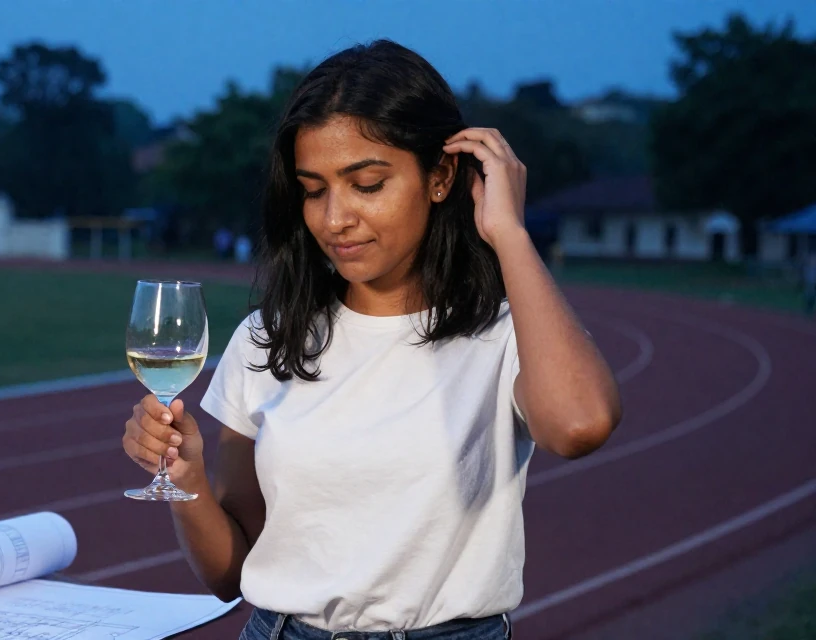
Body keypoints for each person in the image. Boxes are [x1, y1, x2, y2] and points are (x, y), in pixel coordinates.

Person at [122, 40, 622, 640]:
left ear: (440, 177)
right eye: (314, 190)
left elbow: (579, 426)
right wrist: (186, 479)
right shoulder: (268, 338)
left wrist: (508, 232)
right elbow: (232, 575)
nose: (335, 218)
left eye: (366, 184)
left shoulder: (504, 333)